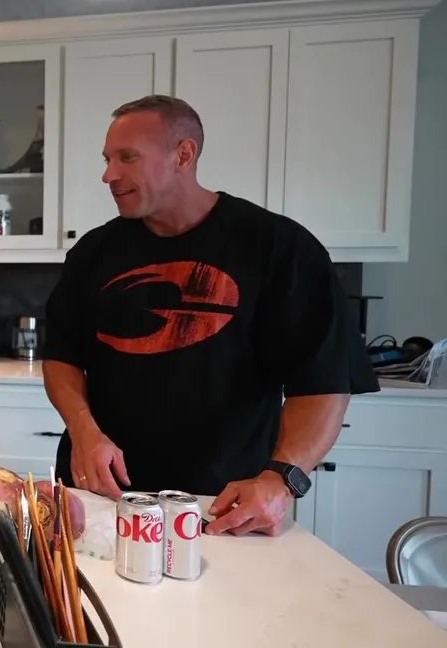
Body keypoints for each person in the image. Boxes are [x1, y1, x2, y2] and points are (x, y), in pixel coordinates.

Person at [41, 94, 378, 537]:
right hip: (103, 497)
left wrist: (281, 479)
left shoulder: (279, 248)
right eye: (107, 159)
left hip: (225, 506)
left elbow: (324, 382)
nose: (109, 175)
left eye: (127, 157)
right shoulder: (93, 252)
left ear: (184, 154)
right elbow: (61, 355)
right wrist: (83, 430)